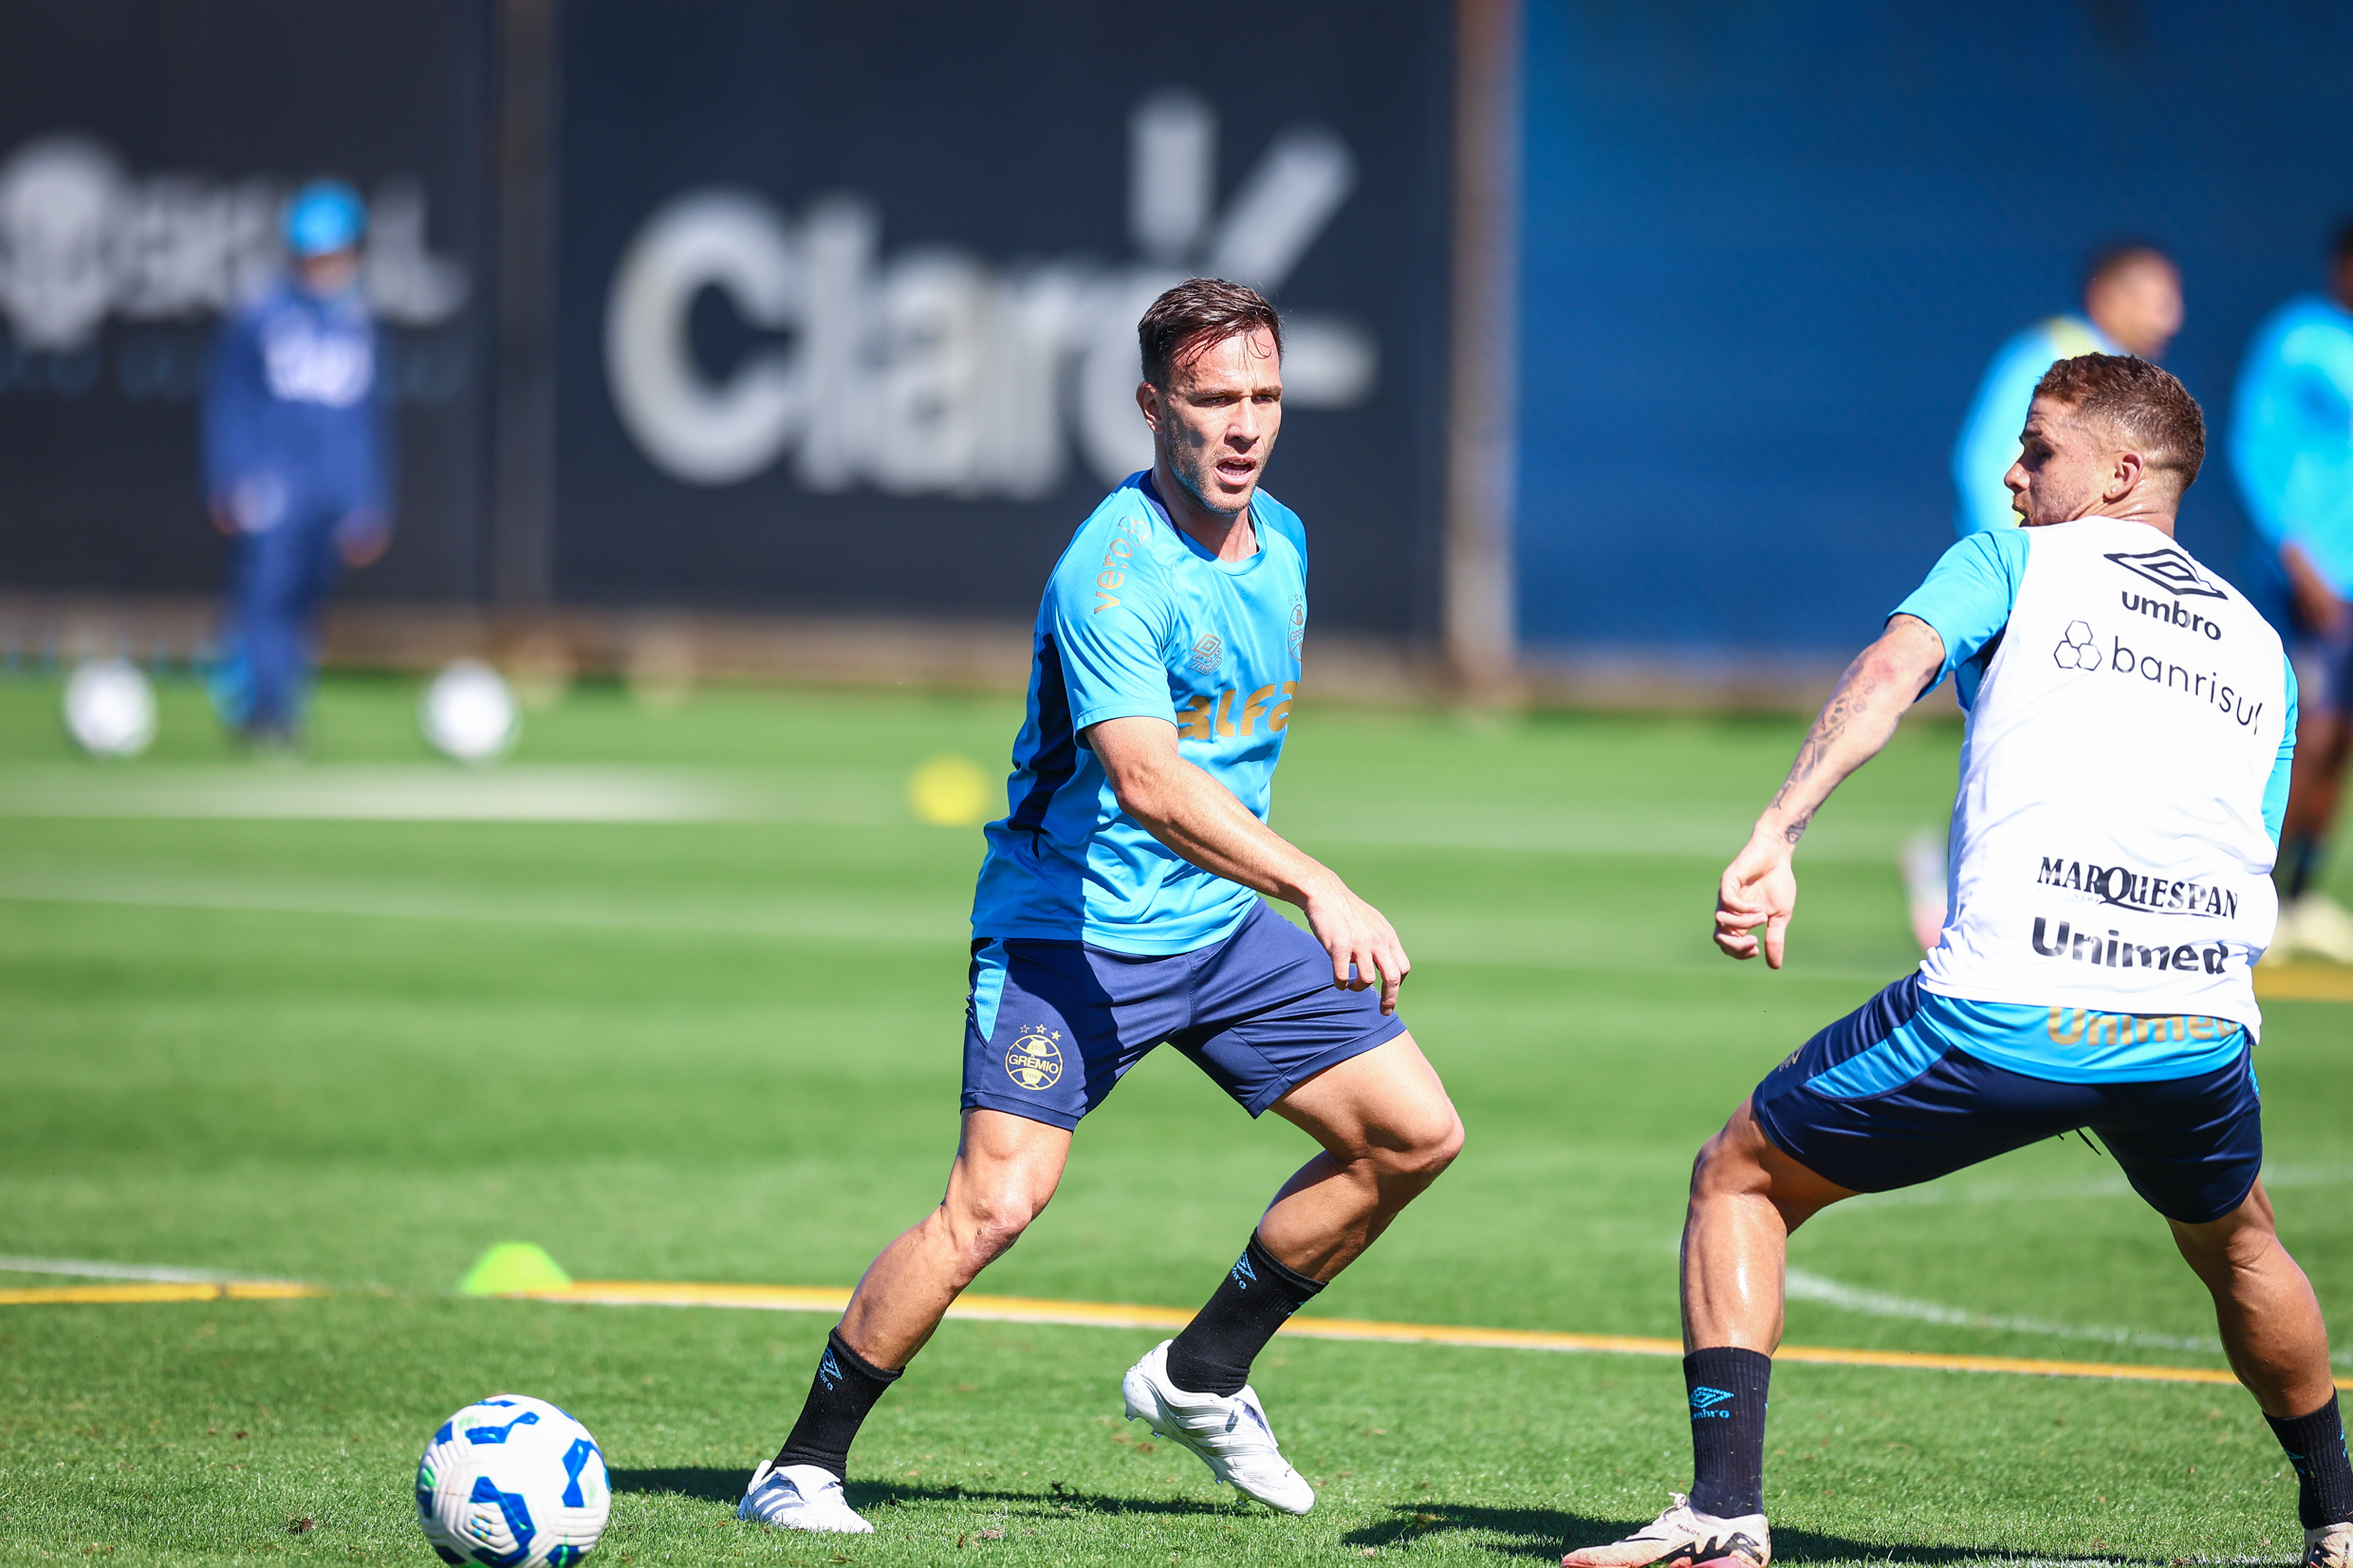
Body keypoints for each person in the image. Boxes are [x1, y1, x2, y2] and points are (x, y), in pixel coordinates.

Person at [1567, 355, 2351, 1568]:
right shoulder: (2257, 644)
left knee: (1738, 1176)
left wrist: (1778, 830)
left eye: (2039, 450)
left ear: (2119, 472)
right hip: (2193, 1027)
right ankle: (2336, 1519)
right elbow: (2248, 835)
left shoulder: (2011, 558)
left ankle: (1722, 1514)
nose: (2012, 471)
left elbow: (1888, 674)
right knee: (2238, 1239)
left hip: (2009, 1008)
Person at [737, 278, 1464, 1537]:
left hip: (1218, 931)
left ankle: (1201, 1374)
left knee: (1413, 1135)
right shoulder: (1108, 576)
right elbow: (1146, 780)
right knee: (996, 1205)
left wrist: (1270, 890)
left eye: (1265, 398)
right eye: (1211, 400)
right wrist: (1316, 882)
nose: (1242, 426)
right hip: (1068, 936)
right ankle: (799, 1466)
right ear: (1149, 407)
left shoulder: (1282, 539)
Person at [202, 179, 390, 746]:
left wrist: (369, 498)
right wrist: (227, 477)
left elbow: (369, 421)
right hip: (272, 483)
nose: (325, 267)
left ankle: (281, 698)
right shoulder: (259, 317)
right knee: (266, 594)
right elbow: (228, 403)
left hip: (331, 490)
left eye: (336, 255)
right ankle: (263, 709)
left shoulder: (359, 325)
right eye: (315, 255)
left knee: (307, 601)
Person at [2231, 221, 2353, 963]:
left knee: (2343, 741)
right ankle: (2255, 896)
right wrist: (2297, 554)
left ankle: (2306, 897)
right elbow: (2255, 443)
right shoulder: (2300, 339)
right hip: (2311, 578)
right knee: (2308, 731)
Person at [1952, 244, 2182, 537]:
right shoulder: (2043, 354)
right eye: (2158, 305)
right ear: (2107, 297)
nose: (2172, 321)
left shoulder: (2132, 376)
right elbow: (1982, 464)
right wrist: (2006, 556)